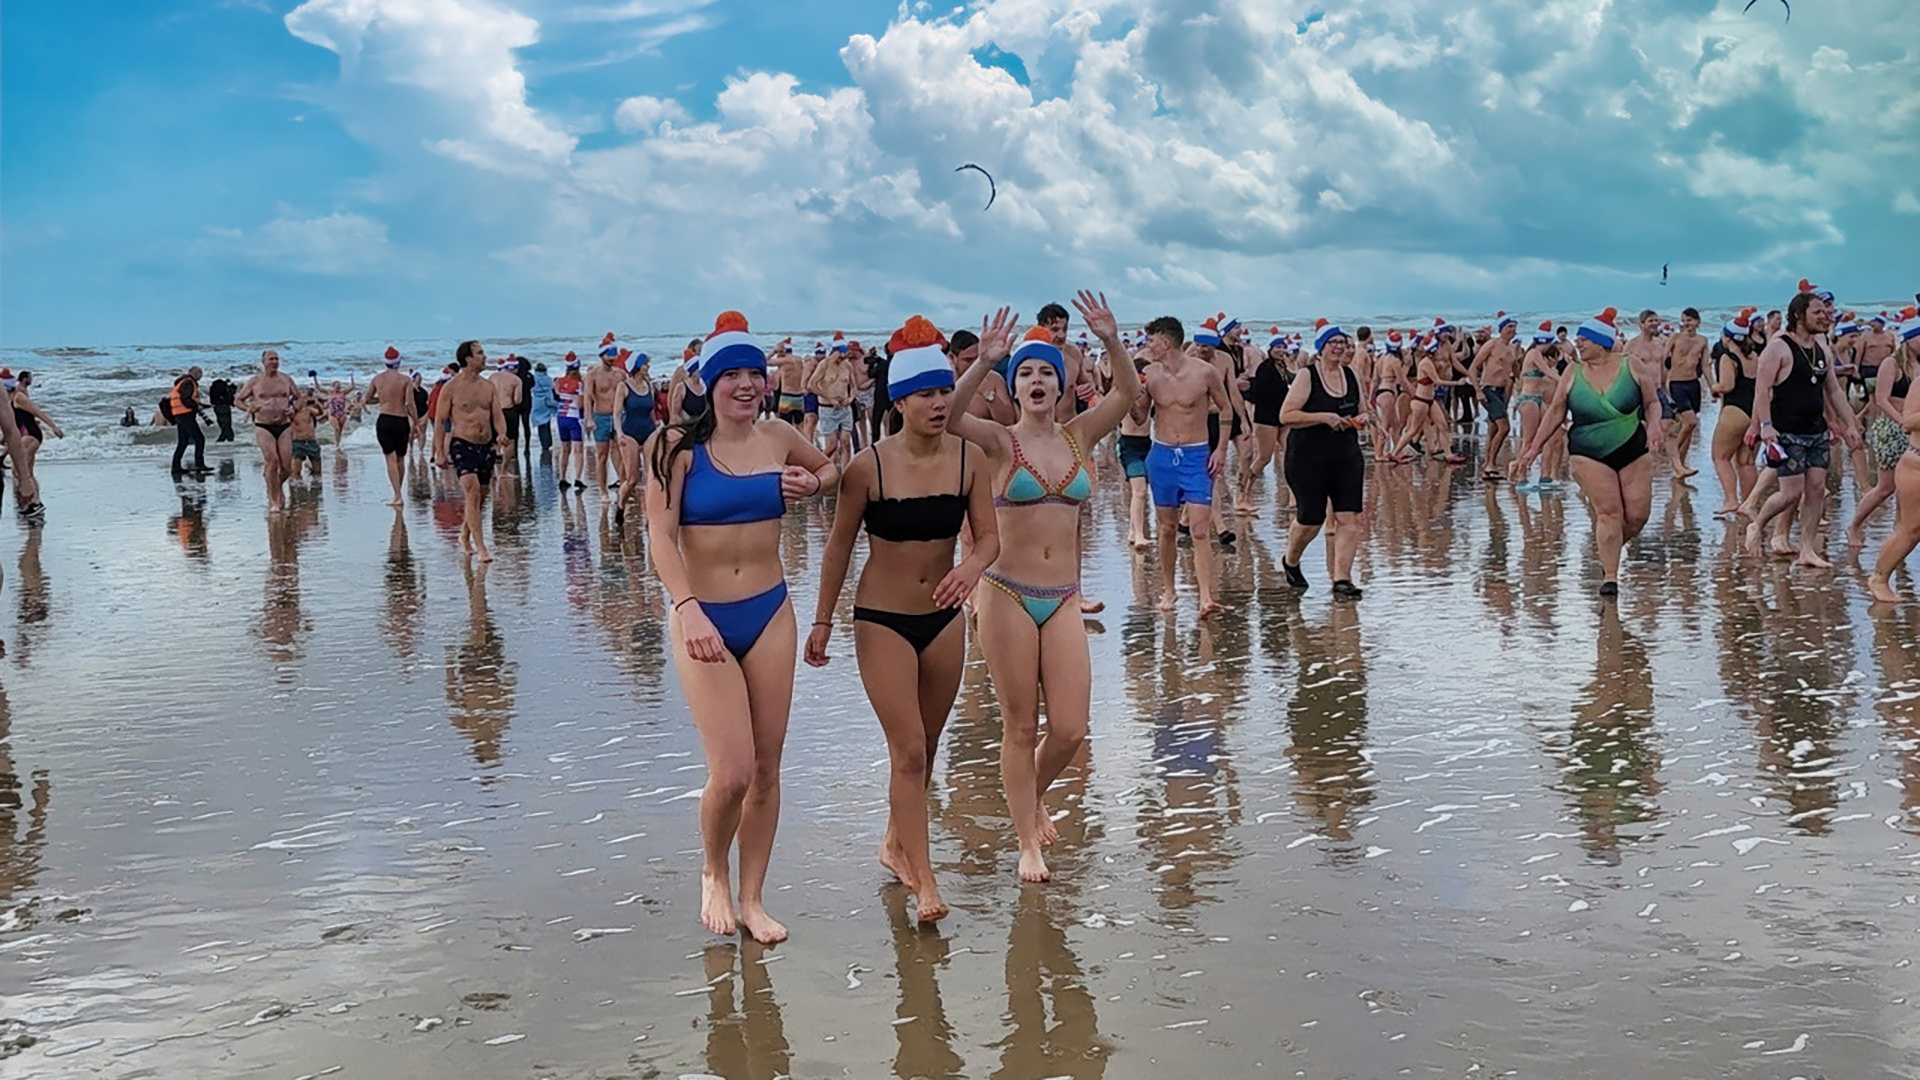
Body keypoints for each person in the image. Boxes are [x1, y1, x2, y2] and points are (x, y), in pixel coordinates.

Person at [646, 311, 837, 943]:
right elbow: (660, 537)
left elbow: (832, 471)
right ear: (708, 382)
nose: (747, 384)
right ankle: (712, 872)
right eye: (732, 375)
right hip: (702, 615)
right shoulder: (673, 446)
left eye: (755, 373)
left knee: (767, 767)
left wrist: (813, 481)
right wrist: (686, 607)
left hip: (769, 610)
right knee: (730, 771)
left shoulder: (780, 435)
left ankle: (753, 897)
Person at [806, 316, 1000, 923]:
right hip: (882, 618)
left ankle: (894, 842)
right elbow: (839, 545)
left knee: (930, 745)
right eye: (926, 394)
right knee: (909, 749)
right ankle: (925, 880)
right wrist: (820, 621)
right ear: (900, 400)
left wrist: (970, 569)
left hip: (942, 618)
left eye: (945, 391)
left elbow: (989, 540)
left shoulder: (969, 459)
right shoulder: (869, 466)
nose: (939, 403)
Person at [948, 292, 1136, 882]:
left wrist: (1109, 339)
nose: (1035, 380)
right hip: (1004, 592)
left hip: (1062, 600)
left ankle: (1027, 792)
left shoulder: (1080, 436)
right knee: (1021, 724)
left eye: (1045, 374)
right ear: (1015, 386)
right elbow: (952, 418)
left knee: (1072, 730)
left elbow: (1129, 396)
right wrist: (984, 362)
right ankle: (1026, 838)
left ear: (1059, 385)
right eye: (1024, 373)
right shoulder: (1002, 441)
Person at [1516, 308, 1664, 597]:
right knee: (1609, 513)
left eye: (1585, 338)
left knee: (1636, 515)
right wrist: (1532, 449)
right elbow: (1557, 411)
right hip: (1587, 451)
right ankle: (1610, 578)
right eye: (1579, 338)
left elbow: (1652, 402)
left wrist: (1656, 424)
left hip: (1634, 447)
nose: (1578, 343)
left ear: (1602, 342)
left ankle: (1608, 545)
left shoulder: (1631, 365)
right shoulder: (1573, 371)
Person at [1744, 283, 1862, 568]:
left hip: (1816, 429)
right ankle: (1757, 524)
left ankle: (1807, 549)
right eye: (1818, 311)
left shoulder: (1822, 346)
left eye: (1826, 311)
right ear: (1799, 314)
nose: (1826, 316)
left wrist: (1849, 424)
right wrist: (1765, 426)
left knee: (1817, 488)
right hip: (1787, 430)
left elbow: (1833, 390)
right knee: (1790, 493)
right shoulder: (1779, 347)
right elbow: (1762, 391)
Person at [1139, 317, 1231, 614]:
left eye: (1151, 340)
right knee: (1166, 528)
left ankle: (1206, 597)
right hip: (1163, 455)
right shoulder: (1150, 374)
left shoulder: (1205, 373)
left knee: (1200, 530)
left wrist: (1220, 449)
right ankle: (1169, 590)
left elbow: (1226, 407)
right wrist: (1131, 392)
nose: (1148, 346)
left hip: (1196, 455)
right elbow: (1140, 417)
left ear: (1166, 342)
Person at [1278, 320, 1367, 598]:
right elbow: (1286, 415)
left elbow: (1365, 410)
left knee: (1349, 518)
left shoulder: (1352, 375)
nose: (1340, 348)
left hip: (1346, 456)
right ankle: (1290, 560)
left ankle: (1342, 579)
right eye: (1334, 343)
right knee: (1311, 519)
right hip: (1307, 458)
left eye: (1343, 343)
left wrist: (1364, 419)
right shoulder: (1307, 376)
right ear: (1321, 348)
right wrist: (1323, 417)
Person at [433, 341, 511, 562]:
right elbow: (440, 422)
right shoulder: (451, 388)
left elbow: (497, 415)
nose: (484, 357)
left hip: (485, 446)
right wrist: (439, 452)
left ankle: (465, 535)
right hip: (461, 444)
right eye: (480, 353)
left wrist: (501, 434)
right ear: (467, 358)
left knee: (481, 496)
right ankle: (481, 547)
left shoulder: (489, 387)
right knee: (472, 491)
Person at [1849, 308, 1914, 546]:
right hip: (1891, 428)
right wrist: (1901, 421)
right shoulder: (1892, 364)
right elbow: (1882, 399)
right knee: (1886, 487)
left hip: (1914, 431)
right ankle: (1854, 525)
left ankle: (1899, 531)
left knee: (1907, 485)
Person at [1867, 309, 1920, 602]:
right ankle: (1879, 577)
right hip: (1915, 465)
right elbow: (1910, 420)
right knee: (1911, 530)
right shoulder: (1918, 382)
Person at [1708, 308, 1764, 514]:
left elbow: (1727, 385)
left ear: (1727, 336)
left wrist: (1714, 388)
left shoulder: (1728, 356)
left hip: (1735, 410)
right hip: (1753, 410)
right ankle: (1749, 504)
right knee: (1746, 461)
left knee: (1720, 457)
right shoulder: (1755, 356)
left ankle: (1731, 500)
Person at [235, 350, 299, 512]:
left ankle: (274, 485)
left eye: (277, 358)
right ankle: (274, 499)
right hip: (263, 425)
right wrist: (248, 407)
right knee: (272, 460)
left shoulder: (286, 379)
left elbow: (299, 398)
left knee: (287, 468)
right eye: (271, 359)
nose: (274, 361)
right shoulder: (255, 381)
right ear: (263, 361)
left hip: (284, 425)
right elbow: (238, 400)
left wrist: (294, 409)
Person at [1238, 328, 1291, 511]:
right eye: (1277, 347)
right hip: (1266, 418)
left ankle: (1294, 498)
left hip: (1282, 418)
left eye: (1283, 347)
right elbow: (1260, 392)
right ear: (1270, 349)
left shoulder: (1282, 366)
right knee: (1264, 458)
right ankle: (1244, 493)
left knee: (1290, 454)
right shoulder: (1265, 367)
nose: (1281, 350)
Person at [364, 345, 418, 506]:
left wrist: (382, 400)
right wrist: (416, 422)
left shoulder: (378, 379)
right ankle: (398, 494)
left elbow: (367, 399)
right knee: (400, 458)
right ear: (399, 362)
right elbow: (410, 403)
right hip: (401, 420)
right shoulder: (405, 380)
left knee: (390, 459)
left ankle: (397, 494)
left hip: (385, 419)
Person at [1469, 313, 1519, 481]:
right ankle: (1490, 463)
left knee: (1494, 429)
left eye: (1514, 327)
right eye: (1509, 327)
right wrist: (1478, 390)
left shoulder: (1511, 349)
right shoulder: (1492, 344)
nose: (1512, 330)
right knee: (1504, 427)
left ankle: (1487, 466)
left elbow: (1513, 372)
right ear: (1501, 329)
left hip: (1502, 392)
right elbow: (1473, 367)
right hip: (1488, 389)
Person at [1509, 321, 1560, 486]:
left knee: (1545, 436)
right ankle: (1520, 474)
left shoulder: (1537, 354)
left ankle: (1520, 467)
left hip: (1539, 400)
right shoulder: (1534, 354)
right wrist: (1566, 381)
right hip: (1529, 399)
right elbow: (1548, 372)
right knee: (1529, 441)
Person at [614, 352, 657, 525]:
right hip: (629, 432)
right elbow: (616, 414)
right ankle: (620, 505)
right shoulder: (623, 386)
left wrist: (658, 427)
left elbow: (652, 411)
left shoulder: (649, 385)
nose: (648, 367)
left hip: (649, 431)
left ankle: (649, 516)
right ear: (636, 367)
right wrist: (619, 434)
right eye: (645, 364)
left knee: (651, 476)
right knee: (632, 479)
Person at [1665, 308, 1709, 478]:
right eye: (1683, 320)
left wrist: (1713, 387)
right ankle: (1674, 454)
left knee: (1688, 427)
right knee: (1691, 421)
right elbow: (1663, 360)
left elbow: (1705, 366)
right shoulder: (1675, 338)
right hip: (1676, 383)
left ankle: (1680, 467)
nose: (1686, 324)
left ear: (1697, 322)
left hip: (1693, 384)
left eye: (1689, 320)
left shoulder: (1702, 341)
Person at [583, 336, 627, 494]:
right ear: (602, 355)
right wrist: (588, 418)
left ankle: (623, 486)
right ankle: (603, 491)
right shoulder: (592, 375)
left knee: (620, 453)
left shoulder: (621, 374)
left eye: (614, 355)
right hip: (600, 416)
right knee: (602, 455)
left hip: (619, 417)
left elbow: (628, 395)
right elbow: (587, 397)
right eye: (609, 355)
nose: (612, 358)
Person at [807, 341, 859, 469]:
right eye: (840, 354)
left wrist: (851, 398)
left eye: (844, 355)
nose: (842, 357)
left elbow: (854, 387)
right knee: (832, 445)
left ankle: (846, 472)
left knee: (846, 441)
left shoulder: (847, 366)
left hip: (844, 407)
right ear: (833, 352)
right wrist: (829, 397)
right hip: (827, 408)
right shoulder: (824, 365)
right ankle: (818, 467)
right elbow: (812, 385)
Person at [6, 371, 64, 484]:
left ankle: (31, 499)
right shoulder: (14, 397)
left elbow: (38, 412)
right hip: (25, 434)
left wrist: (53, 427)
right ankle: (31, 500)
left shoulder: (19, 397)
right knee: (25, 472)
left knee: (23, 472)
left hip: (30, 435)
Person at [167, 366, 212, 476]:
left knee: (183, 442)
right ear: (195, 373)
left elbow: (188, 400)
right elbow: (185, 399)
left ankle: (176, 466)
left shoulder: (182, 382)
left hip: (179, 415)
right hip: (185, 415)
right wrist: (196, 406)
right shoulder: (189, 382)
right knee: (199, 439)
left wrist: (203, 406)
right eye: (200, 372)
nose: (201, 375)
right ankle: (199, 464)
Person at [554, 354, 586, 488]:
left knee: (564, 449)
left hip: (561, 417)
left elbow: (556, 396)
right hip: (574, 418)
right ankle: (578, 478)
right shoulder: (579, 383)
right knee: (578, 450)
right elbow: (579, 404)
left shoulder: (558, 381)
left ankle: (562, 477)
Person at [488, 355, 524, 467]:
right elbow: (517, 400)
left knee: (494, 440)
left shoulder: (493, 376)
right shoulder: (516, 380)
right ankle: (504, 469)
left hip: (494, 410)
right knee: (510, 440)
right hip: (509, 410)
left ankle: (492, 467)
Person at [530, 361, 558, 454]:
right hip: (547, 402)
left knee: (540, 425)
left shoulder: (534, 379)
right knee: (547, 424)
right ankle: (549, 444)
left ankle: (544, 445)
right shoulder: (549, 379)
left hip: (537, 403)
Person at [209, 375, 237, 442]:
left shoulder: (213, 387)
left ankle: (225, 438)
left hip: (216, 407)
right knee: (227, 424)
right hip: (225, 406)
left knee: (222, 423)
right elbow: (230, 398)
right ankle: (227, 438)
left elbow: (212, 399)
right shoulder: (224, 388)